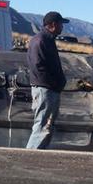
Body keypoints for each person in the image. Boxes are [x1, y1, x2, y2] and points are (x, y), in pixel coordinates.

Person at [26, 11, 69, 149]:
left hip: (50, 89)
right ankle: (30, 155)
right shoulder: (40, 40)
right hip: (45, 89)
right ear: (53, 25)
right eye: (61, 24)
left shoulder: (48, 40)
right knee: (42, 125)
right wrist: (54, 84)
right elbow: (38, 67)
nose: (62, 27)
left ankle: (40, 154)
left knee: (48, 126)